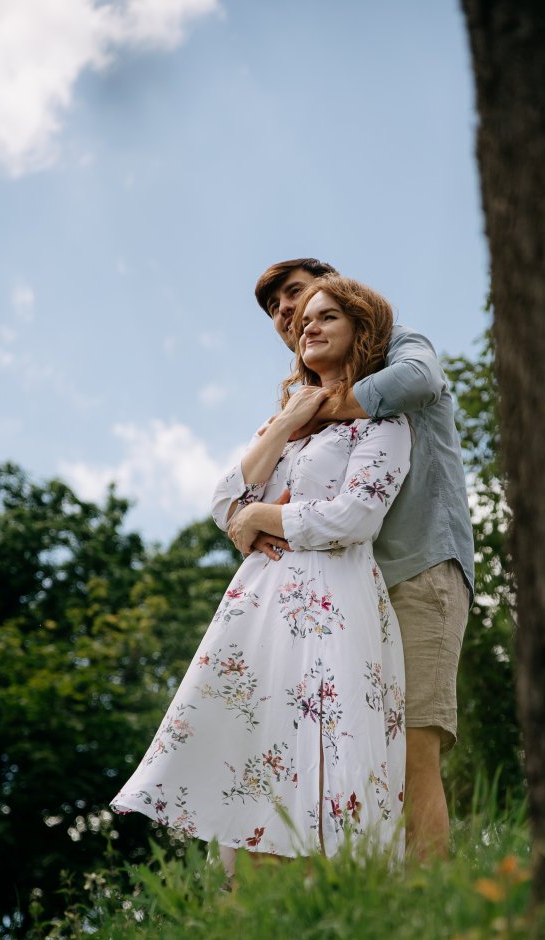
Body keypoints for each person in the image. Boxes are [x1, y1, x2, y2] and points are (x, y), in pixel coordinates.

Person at [110, 278, 411, 875]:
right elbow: (224, 502)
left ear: (361, 330)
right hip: (259, 603)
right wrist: (283, 424)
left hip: (334, 594)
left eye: (327, 316)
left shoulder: (383, 423)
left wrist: (261, 517)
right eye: (303, 320)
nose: (307, 326)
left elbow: (356, 516)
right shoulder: (287, 424)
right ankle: (246, 899)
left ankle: (335, 886)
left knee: (329, 736)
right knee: (253, 740)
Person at [249, 258, 474, 860]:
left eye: (297, 294)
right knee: (332, 751)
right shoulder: (301, 404)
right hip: (342, 593)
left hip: (417, 569)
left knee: (413, 745)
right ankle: (354, 894)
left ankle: (429, 898)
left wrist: (324, 406)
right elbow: (254, 498)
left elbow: (418, 381)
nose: (288, 312)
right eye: (276, 309)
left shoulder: (400, 344)